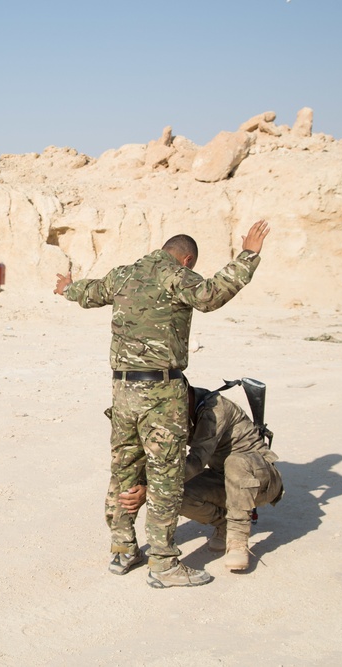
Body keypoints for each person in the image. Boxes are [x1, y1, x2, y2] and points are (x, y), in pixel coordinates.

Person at [54, 220, 269, 588]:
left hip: (122, 392)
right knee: (165, 476)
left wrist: (67, 287)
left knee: (123, 469)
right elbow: (211, 294)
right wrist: (248, 255)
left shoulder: (124, 275)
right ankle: (164, 564)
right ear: (186, 260)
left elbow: (88, 293)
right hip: (160, 393)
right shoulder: (175, 276)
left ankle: (122, 551)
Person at [119, 385, 284, 572]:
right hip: (223, 479)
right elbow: (164, 460)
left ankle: (237, 540)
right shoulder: (177, 413)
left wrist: (151, 489)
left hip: (260, 481)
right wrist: (144, 486)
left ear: (185, 394)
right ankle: (225, 524)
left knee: (236, 461)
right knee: (174, 494)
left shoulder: (215, 409)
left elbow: (197, 460)